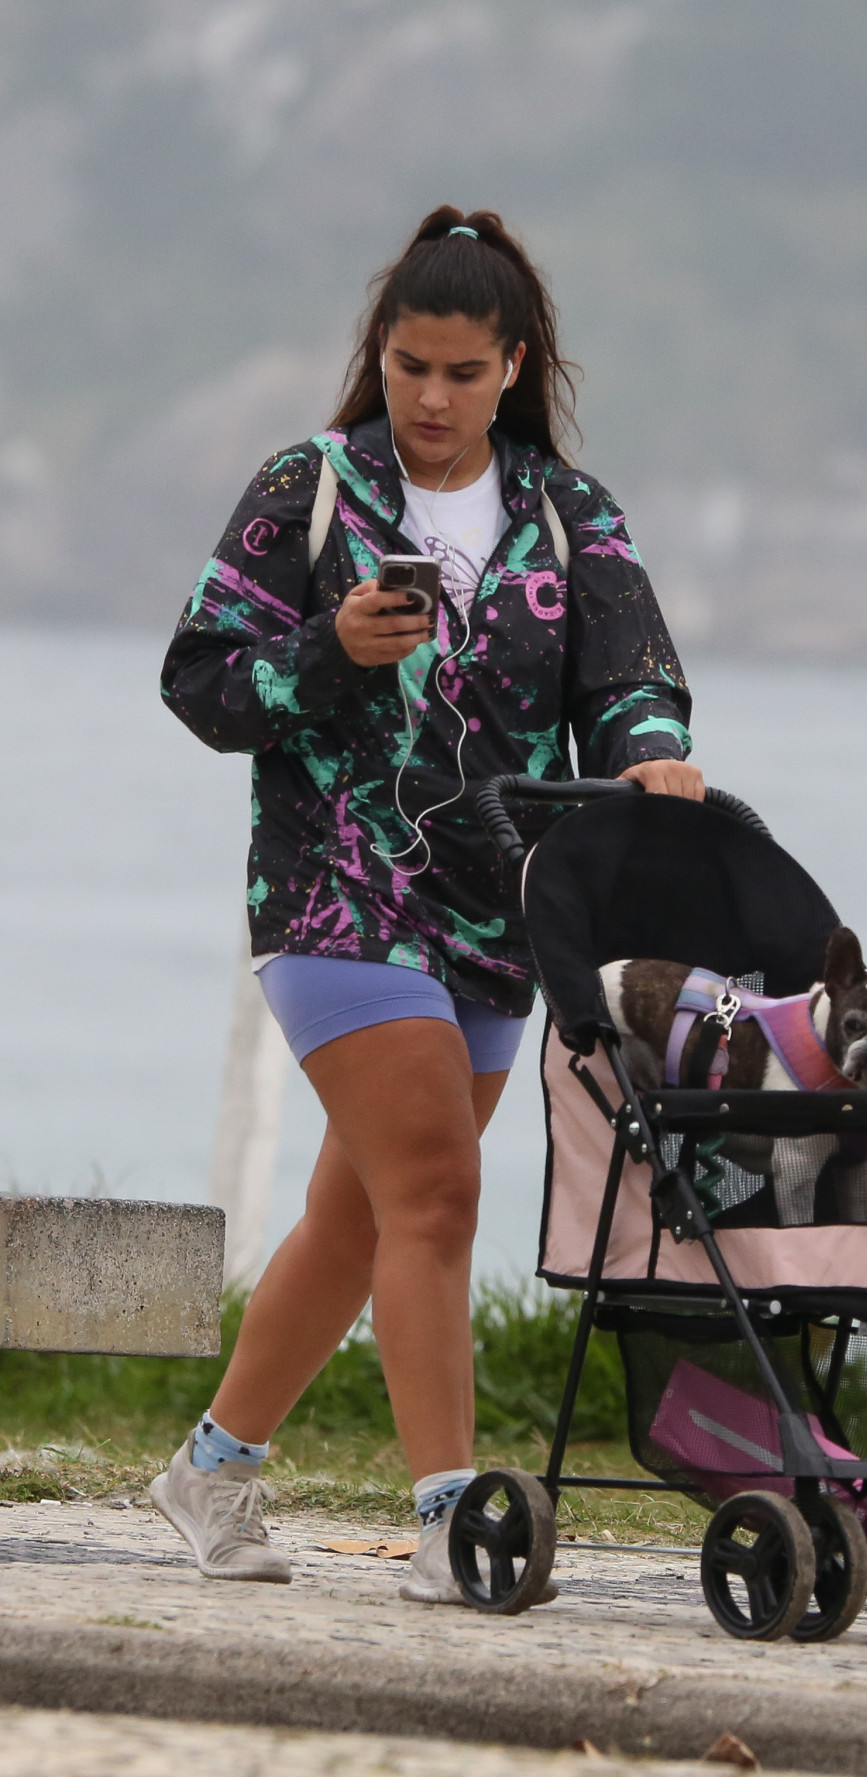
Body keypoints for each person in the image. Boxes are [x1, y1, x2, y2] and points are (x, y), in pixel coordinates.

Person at [154, 205, 702, 1602]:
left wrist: (650, 753)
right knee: (441, 1193)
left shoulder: (572, 515)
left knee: (367, 1214)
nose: (433, 399)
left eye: (462, 372)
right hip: (334, 889)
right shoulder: (312, 485)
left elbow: (628, 674)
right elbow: (203, 682)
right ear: (379, 357)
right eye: (409, 367)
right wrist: (328, 649)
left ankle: (210, 1470)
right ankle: (452, 1517)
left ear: (514, 364)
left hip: (493, 905)